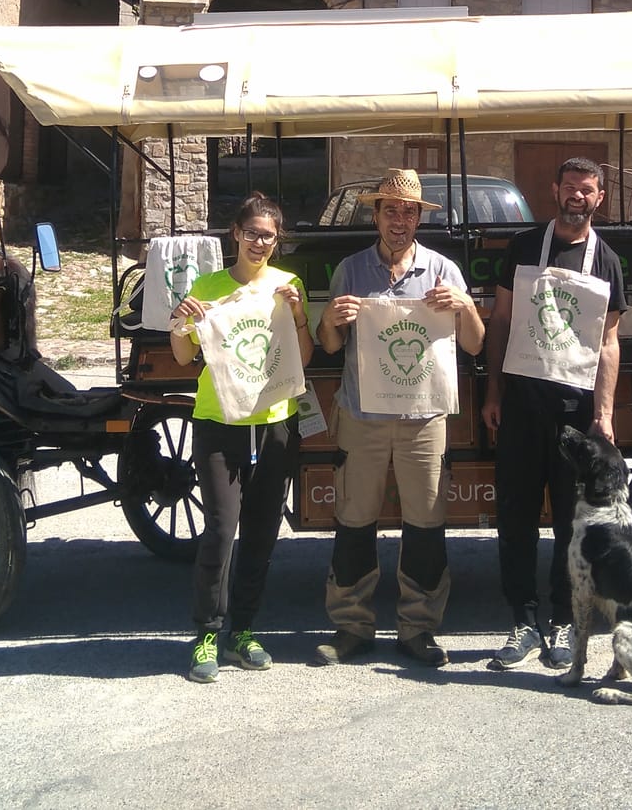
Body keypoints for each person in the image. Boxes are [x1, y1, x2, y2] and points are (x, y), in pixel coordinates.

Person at [314, 169, 484, 669]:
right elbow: (328, 346)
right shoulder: (350, 269)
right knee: (353, 521)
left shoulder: (443, 270)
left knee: (426, 524)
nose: (400, 219)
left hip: (423, 417)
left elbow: (474, 343)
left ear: (418, 219)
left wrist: (465, 306)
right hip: (362, 415)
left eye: (409, 211)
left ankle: (418, 628)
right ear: (376, 215)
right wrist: (329, 320)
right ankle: (351, 625)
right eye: (391, 209)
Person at [480, 157, 628, 672]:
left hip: (575, 413)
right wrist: (493, 391)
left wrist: (604, 415)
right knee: (515, 518)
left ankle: (564, 620)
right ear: (554, 190)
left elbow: (609, 341)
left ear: (599, 197)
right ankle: (522, 621)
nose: (577, 198)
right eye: (569, 188)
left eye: (586, 191)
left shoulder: (607, 260)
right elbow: (499, 321)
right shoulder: (523, 248)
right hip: (521, 402)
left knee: (570, 524)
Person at [170, 192, 314, 684]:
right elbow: (184, 356)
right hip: (218, 420)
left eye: (268, 235)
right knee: (219, 529)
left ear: (278, 241)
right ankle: (207, 633)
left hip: (275, 421)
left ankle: (243, 631)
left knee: (261, 532)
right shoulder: (208, 286)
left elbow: (305, 358)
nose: (259, 242)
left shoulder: (287, 283)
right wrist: (181, 321)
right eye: (251, 232)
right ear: (235, 233)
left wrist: (297, 314)